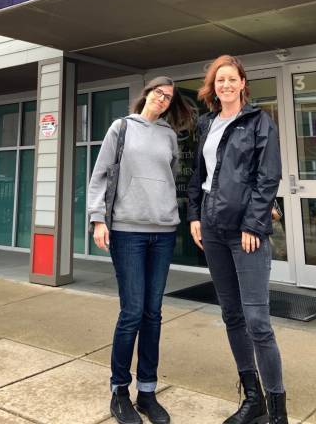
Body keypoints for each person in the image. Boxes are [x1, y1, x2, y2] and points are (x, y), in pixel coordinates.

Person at [188, 55, 288, 424]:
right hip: (212, 230)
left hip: (246, 232)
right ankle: (253, 400)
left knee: (257, 321)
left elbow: (268, 177)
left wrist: (253, 224)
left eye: (232, 79)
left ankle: (278, 411)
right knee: (231, 315)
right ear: (213, 87)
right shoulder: (207, 124)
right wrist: (194, 216)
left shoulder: (259, 121)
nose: (225, 85)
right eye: (219, 80)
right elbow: (200, 173)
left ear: (243, 83)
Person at [88, 76, 193, 424]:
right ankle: (120, 391)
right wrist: (98, 219)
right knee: (132, 311)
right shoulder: (121, 128)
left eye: (168, 98)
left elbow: (170, 175)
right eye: (158, 94)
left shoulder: (168, 136)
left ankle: (147, 391)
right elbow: (100, 175)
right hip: (127, 232)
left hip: (162, 231)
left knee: (153, 313)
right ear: (146, 94)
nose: (162, 100)